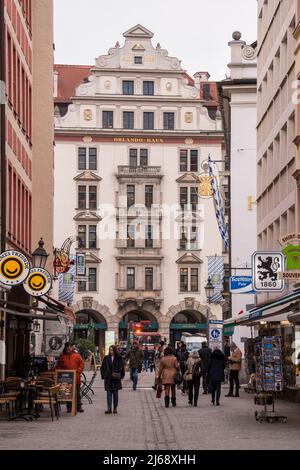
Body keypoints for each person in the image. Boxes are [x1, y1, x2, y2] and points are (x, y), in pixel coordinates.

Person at [56, 342, 84, 413]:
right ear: (66, 348)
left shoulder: (77, 355)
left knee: (77, 392)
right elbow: (58, 366)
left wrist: (78, 371)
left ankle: (79, 407)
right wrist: (60, 373)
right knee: (68, 392)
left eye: (71, 347)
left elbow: (81, 364)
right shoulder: (62, 356)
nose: (70, 348)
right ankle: (69, 407)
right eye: (69, 347)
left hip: (76, 377)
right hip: (66, 378)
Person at [100, 345, 125, 414]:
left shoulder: (119, 358)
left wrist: (120, 375)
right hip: (108, 379)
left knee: (115, 394)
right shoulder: (106, 358)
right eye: (110, 350)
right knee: (108, 394)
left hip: (115, 379)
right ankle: (109, 408)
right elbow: (102, 368)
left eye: (112, 350)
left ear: (114, 350)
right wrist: (103, 376)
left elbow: (122, 367)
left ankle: (115, 408)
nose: (111, 351)